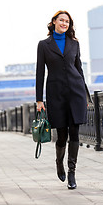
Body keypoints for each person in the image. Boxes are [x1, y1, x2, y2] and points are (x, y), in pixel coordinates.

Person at [36, 10, 89, 190]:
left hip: (76, 92)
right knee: (62, 135)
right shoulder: (43, 45)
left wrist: (86, 95)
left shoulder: (74, 43)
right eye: (61, 20)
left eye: (67, 21)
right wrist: (39, 99)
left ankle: (72, 173)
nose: (64, 23)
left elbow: (79, 69)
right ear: (54, 22)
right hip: (56, 94)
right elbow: (40, 73)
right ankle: (59, 162)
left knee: (74, 133)